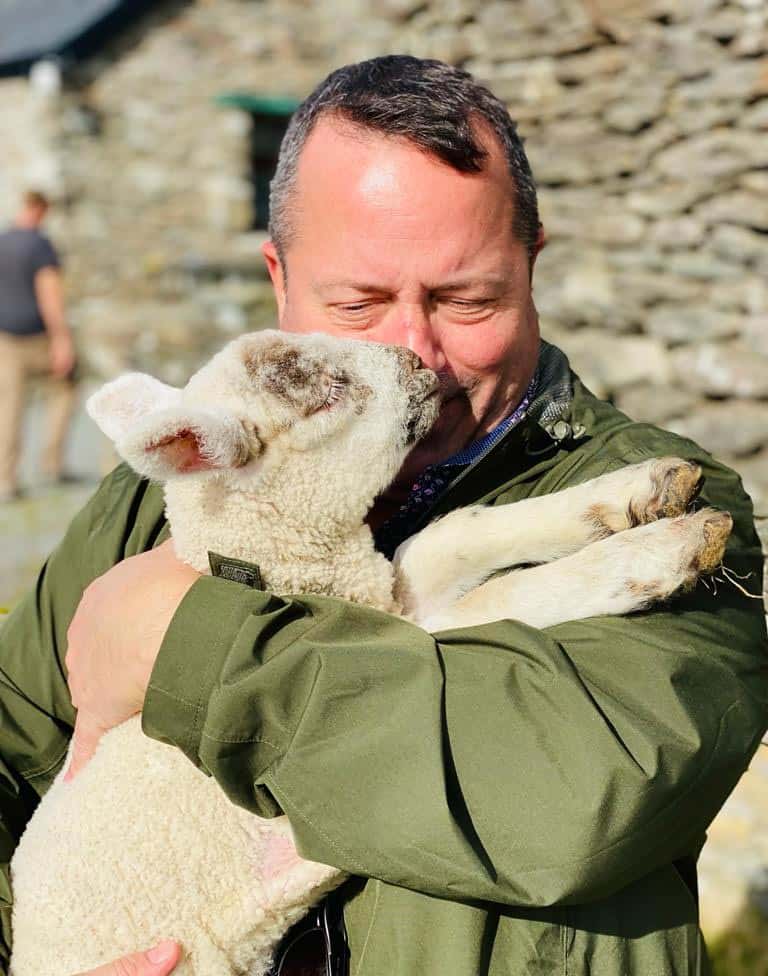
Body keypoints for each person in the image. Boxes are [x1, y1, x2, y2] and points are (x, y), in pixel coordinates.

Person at [1, 56, 766, 976]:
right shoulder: (166, 493)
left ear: (531, 264)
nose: (417, 355)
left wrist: (187, 648)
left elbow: (580, 798)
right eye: (357, 303)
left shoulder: (665, 502)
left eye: (467, 298)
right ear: (280, 280)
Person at [0, 190, 77, 501]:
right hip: (37, 338)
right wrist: (62, 339)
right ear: (40, 209)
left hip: (4, 338)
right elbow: (50, 295)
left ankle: (5, 479)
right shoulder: (40, 246)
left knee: (9, 407)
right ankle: (51, 462)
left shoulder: (2, 241)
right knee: (65, 389)